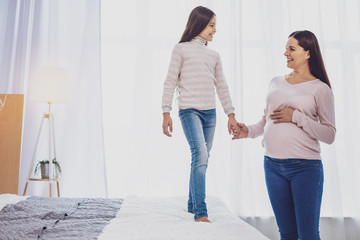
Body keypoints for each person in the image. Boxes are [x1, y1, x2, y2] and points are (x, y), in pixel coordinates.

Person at [233, 30, 336, 239]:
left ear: (308, 53)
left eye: (291, 48)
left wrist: (296, 116)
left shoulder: (320, 89)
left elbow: (329, 134)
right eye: (285, 48)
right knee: (287, 233)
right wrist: (249, 131)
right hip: (272, 166)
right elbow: (267, 120)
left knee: (307, 234)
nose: (285, 53)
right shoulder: (276, 82)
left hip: (305, 168)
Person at [161, 6, 237, 222]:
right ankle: (200, 212)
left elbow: (222, 85)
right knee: (200, 155)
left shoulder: (214, 55)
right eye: (211, 25)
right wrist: (166, 112)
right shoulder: (181, 49)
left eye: (215, 26)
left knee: (201, 159)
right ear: (199, 23)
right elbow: (170, 81)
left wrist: (230, 114)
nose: (214, 30)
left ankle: (191, 204)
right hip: (189, 110)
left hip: (210, 113)